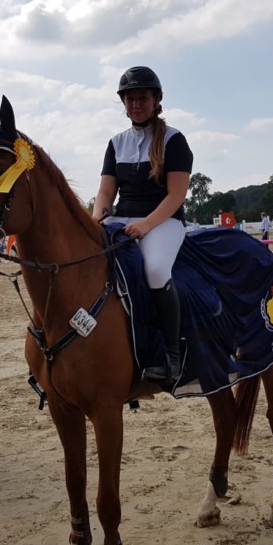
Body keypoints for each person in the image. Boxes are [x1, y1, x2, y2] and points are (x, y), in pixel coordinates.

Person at [92, 66, 193, 385]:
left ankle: (172, 356)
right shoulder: (116, 143)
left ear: (157, 100)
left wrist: (147, 225)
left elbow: (176, 195)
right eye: (130, 99)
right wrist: (95, 219)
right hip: (122, 217)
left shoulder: (174, 140)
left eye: (142, 98)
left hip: (164, 220)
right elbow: (106, 192)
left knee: (155, 270)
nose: (135, 104)